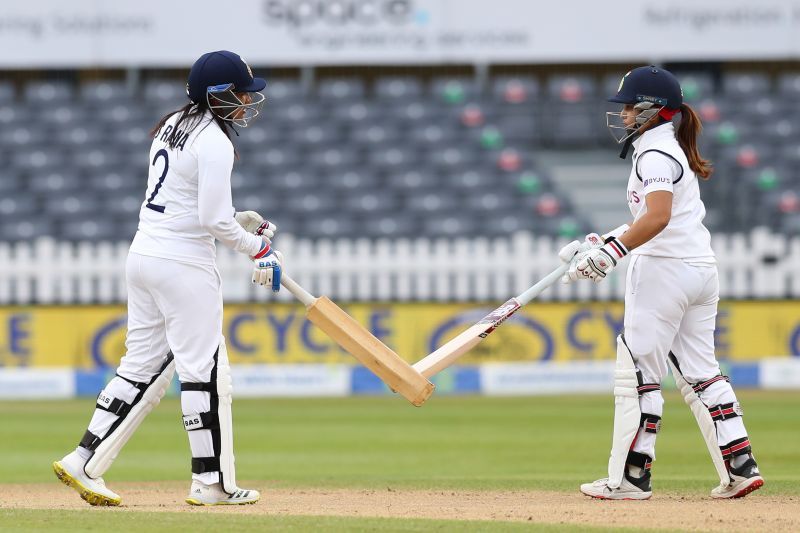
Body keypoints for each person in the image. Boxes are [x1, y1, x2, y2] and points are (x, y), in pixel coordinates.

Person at [53, 50, 283, 506]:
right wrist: (257, 247)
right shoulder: (215, 141)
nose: (245, 102)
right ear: (217, 95)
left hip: (144, 256)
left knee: (140, 368)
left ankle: (84, 459)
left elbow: (188, 204)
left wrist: (241, 222)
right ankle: (212, 483)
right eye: (239, 93)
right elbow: (214, 222)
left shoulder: (171, 124)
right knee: (206, 371)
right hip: (184, 266)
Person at [561, 65, 763, 500]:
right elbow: (653, 220)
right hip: (699, 270)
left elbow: (657, 218)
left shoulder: (653, 154)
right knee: (702, 373)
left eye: (631, 106)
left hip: (662, 272)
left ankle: (630, 478)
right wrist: (604, 241)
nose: (625, 115)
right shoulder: (670, 148)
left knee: (638, 374)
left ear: (653, 110)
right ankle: (740, 465)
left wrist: (612, 255)